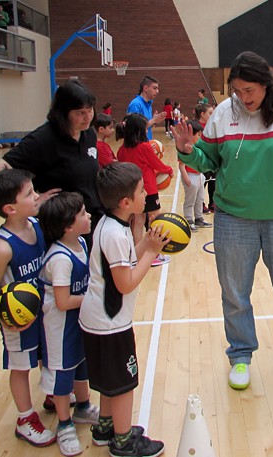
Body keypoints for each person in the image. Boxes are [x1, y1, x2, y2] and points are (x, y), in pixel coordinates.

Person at [172, 51, 273, 391]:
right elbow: (207, 161)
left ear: (266, 84)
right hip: (234, 218)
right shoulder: (224, 113)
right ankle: (240, 356)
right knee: (235, 294)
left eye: (250, 90)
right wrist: (186, 150)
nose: (244, 98)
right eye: (237, 91)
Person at [80, 162, 167, 457]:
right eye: (142, 190)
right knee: (124, 382)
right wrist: (152, 253)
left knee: (109, 380)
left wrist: (145, 243)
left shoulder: (111, 224)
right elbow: (125, 282)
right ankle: (123, 440)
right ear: (126, 202)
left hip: (98, 319)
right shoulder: (115, 235)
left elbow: (127, 260)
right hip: (110, 322)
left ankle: (105, 426)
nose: (147, 193)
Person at [0, 168, 56, 447]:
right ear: (10, 208)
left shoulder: (35, 226)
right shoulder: (2, 247)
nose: (37, 196)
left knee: (48, 355)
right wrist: (5, 319)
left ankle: (51, 394)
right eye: (30, 194)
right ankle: (25, 419)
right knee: (21, 367)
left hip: (43, 312)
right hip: (18, 319)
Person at [0, 79, 101, 248]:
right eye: (80, 112)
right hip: (62, 229)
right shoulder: (43, 139)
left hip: (89, 221)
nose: (88, 117)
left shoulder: (89, 134)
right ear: (64, 112)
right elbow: (2, 168)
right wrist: (32, 201)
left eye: (90, 110)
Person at [37, 192, 100, 456]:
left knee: (81, 365)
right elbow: (62, 301)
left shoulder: (81, 244)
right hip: (59, 327)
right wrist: (93, 297)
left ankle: (83, 407)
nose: (89, 216)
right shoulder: (60, 259)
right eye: (83, 214)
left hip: (78, 321)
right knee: (63, 375)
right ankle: (64, 424)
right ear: (67, 226)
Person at [116, 113, 173, 268]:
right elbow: (157, 164)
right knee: (156, 218)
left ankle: (136, 255)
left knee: (138, 221)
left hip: (131, 189)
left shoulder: (121, 150)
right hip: (147, 188)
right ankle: (154, 253)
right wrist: (169, 169)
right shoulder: (144, 147)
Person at [177, 120, 211, 232]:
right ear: (190, 134)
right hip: (190, 175)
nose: (200, 137)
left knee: (200, 198)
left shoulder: (197, 145)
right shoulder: (185, 147)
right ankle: (188, 220)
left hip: (199, 175)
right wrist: (186, 178)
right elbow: (181, 165)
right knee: (190, 200)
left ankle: (198, 218)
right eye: (198, 135)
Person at [126, 76, 166, 141]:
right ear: (146, 88)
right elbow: (134, 129)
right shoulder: (136, 104)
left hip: (146, 144)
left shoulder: (149, 105)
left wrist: (154, 122)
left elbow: (146, 127)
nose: (157, 91)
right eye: (154, 88)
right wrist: (153, 120)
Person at [193, 103, 215, 213]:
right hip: (202, 159)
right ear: (202, 114)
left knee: (213, 181)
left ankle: (212, 203)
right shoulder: (196, 127)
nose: (213, 115)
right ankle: (199, 204)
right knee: (203, 182)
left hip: (212, 157)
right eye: (210, 113)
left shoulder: (212, 126)